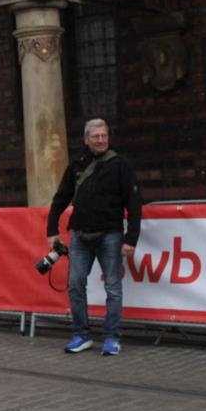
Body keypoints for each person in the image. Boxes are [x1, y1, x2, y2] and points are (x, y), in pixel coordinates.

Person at [46, 119, 141, 356]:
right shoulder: (77, 163)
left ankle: (112, 337)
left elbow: (134, 203)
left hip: (110, 234)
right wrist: (51, 229)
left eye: (104, 136)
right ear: (87, 139)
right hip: (79, 234)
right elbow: (61, 197)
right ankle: (81, 335)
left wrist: (131, 239)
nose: (101, 140)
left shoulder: (121, 164)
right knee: (76, 285)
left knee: (113, 288)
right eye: (96, 136)